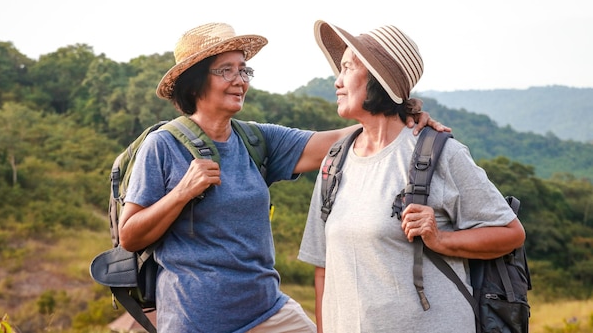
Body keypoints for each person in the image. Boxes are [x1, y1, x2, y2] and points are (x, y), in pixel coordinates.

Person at [118, 22, 445, 333]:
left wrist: (401, 115)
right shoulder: (162, 146)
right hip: (195, 319)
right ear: (195, 81)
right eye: (226, 70)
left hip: (268, 311)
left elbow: (337, 141)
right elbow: (130, 235)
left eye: (243, 69)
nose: (240, 80)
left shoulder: (257, 140)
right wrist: (181, 193)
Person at [298, 20, 526, 333]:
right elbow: (323, 269)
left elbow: (510, 233)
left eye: (348, 68)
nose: (337, 81)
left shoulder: (439, 154)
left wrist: (440, 239)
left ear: (378, 80)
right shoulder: (334, 162)